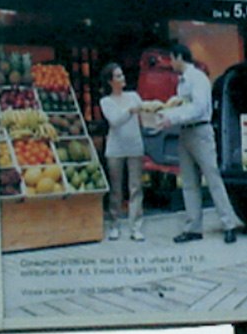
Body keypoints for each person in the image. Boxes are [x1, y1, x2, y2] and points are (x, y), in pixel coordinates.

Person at [154, 44, 238, 244]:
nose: (171, 63)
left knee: (212, 178)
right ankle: (193, 228)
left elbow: (198, 108)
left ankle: (229, 224)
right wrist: (167, 115)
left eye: (172, 58)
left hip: (200, 131)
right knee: (189, 182)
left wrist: (172, 118)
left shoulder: (197, 78)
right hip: (185, 132)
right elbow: (183, 107)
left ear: (179, 57)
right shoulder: (182, 82)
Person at [99, 62, 145, 241]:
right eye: (118, 76)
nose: (122, 78)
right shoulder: (106, 101)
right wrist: (130, 111)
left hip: (135, 146)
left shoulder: (134, 96)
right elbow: (115, 120)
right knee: (116, 189)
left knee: (136, 188)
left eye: (122, 74)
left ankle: (136, 227)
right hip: (115, 149)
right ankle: (114, 224)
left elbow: (144, 113)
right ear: (110, 81)